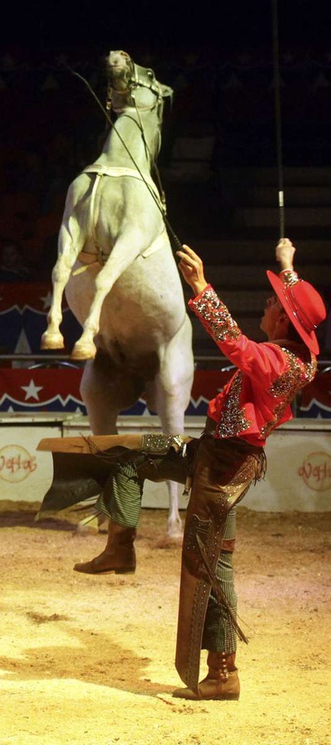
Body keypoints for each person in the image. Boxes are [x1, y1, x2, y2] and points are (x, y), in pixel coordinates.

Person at [169, 237, 324, 700]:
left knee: (213, 566)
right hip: (220, 457)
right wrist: (287, 264)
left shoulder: (277, 362)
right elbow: (297, 311)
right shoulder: (302, 357)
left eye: (274, 302)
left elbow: (235, 344)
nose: (267, 304)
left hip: (221, 468)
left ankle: (222, 673)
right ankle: (120, 541)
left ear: (282, 319)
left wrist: (200, 288)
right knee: (142, 456)